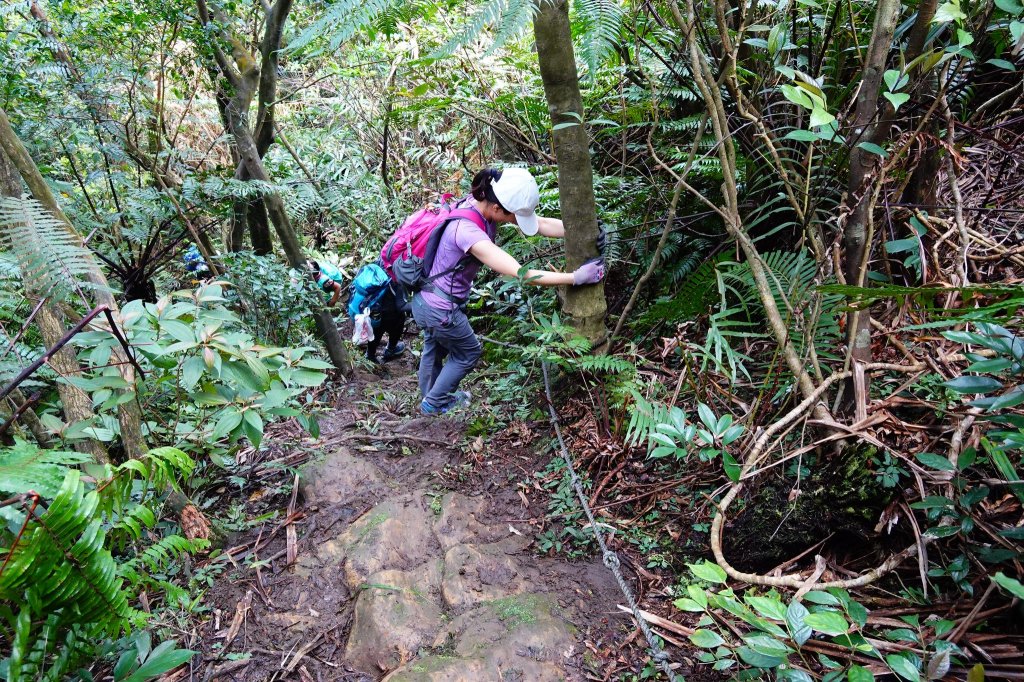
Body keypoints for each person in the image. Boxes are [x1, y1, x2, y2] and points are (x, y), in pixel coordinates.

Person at [412, 167, 605, 415]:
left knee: (434, 347)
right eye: (513, 216)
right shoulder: (469, 233)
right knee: (469, 352)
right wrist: (576, 277)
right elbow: (521, 273)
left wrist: (589, 230)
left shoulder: (476, 202)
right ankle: (434, 403)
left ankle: (431, 397)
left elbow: (541, 224)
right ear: (496, 208)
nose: (515, 221)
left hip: (425, 300)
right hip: (440, 309)